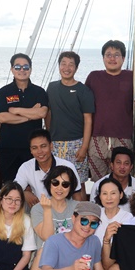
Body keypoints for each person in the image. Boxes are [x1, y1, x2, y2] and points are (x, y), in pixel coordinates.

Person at [21, 165, 79, 270]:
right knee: (43, 250)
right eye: (55, 183)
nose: (59, 188)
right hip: (46, 260)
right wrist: (47, 210)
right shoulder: (38, 208)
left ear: (71, 187)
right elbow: (47, 237)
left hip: (70, 256)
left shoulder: (77, 207)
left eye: (65, 184)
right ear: (49, 184)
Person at [0, 53, 49, 187]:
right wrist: (31, 114)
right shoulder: (4, 92)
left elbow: (42, 113)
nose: (22, 70)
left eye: (26, 67)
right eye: (18, 67)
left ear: (30, 69)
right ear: (12, 69)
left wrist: (16, 110)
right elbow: (2, 117)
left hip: (33, 149)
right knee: (9, 186)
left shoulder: (39, 91)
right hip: (9, 147)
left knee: (35, 186)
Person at [85, 40, 134, 181]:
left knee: (122, 180)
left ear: (123, 58)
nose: (112, 58)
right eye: (108, 55)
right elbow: (84, 107)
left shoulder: (131, 77)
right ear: (103, 57)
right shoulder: (94, 77)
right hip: (97, 137)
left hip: (123, 137)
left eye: (116, 55)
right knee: (99, 182)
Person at [46, 51, 95, 185]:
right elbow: (48, 113)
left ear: (76, 68)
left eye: (71, 65)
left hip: (77, 143)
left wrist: (84, 147)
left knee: (78, 182)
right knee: (56, 182)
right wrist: (49, 137)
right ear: (59, 66)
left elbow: (88, 120)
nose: (66, 68)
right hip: (55, 144)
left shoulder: (83, 90)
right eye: (63, 64)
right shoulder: (51, 87)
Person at [14, 129, 82, 207]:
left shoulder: (67, 166)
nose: (39, 151)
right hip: (39, 209)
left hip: (64, 209)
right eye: (35, 148)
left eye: (43, 146)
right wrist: (24, 193)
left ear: (51, 146)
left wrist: (76, 213)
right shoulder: (26, 167)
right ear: (31, 150)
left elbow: (77, 197)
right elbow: (14, 190)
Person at [91, 177, 130, 270]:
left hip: (115, 265)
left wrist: (107, 240)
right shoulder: (94, 215)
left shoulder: (128, 218)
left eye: (113, 193)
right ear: (99, 196)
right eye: (104, 193)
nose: (109, 198)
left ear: (121, 194)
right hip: (94, 263)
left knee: (109, 267)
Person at [88, 146, 135, 210]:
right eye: (118, 163)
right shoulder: (98, 185)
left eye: (126, 163)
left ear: (131, 167)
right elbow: (94, 211)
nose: (122, 167)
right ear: (112, 165)